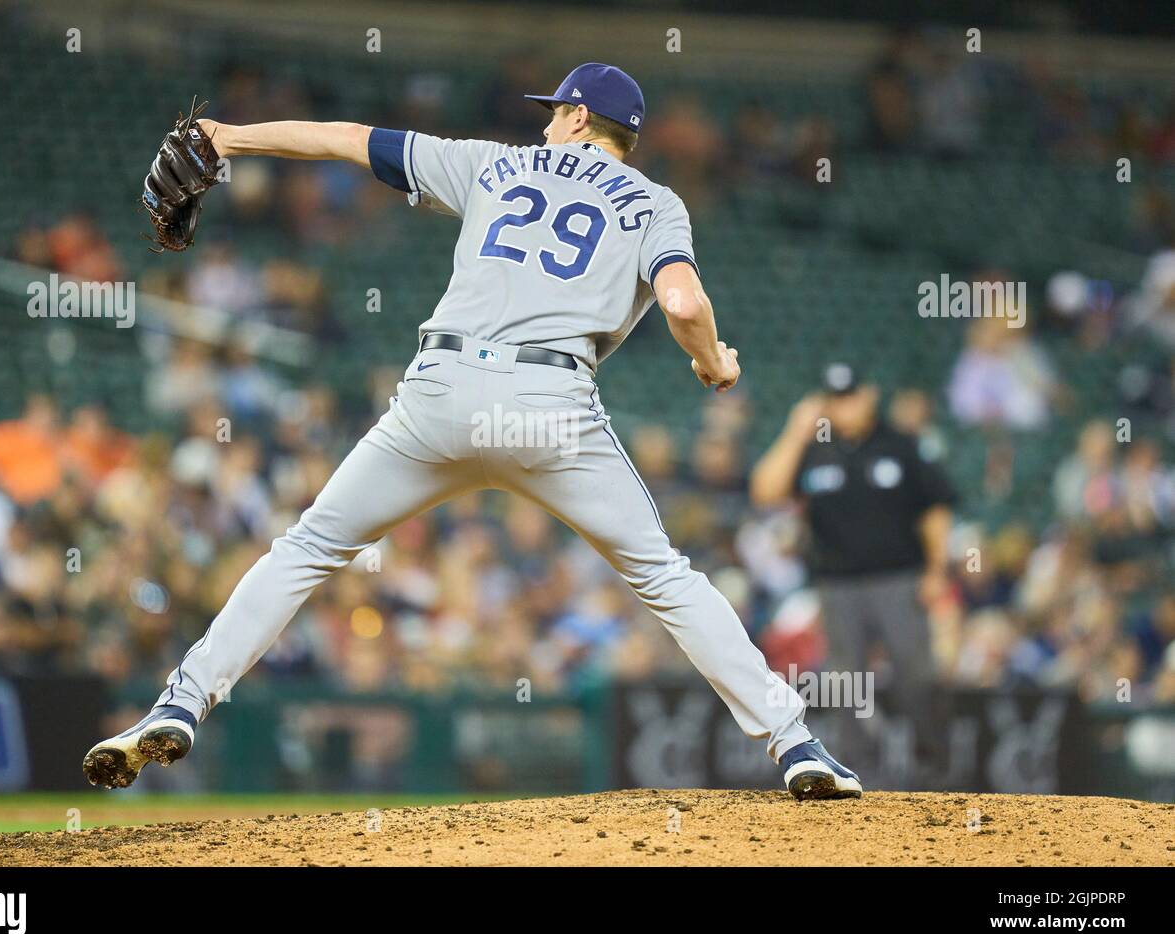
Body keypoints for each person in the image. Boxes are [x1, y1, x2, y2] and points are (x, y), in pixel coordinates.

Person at [84, 63, 861, 800]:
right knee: (665, 576)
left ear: (579, 115)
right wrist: (713, 364)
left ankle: (180, 705)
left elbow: (350, 139)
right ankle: (794, 744)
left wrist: (231, 136)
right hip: (549, 404)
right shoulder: (654, 203)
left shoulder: (493, 165)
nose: (547, 124)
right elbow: (686, 307)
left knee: (310, 547)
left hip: (441, 392)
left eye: (555, 110)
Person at [751, 362, 956, 781]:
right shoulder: (814, 448)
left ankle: (934, 769)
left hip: (898, 579)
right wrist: (796, 430)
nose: (844, 407)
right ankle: (858, 771)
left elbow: (935, 508)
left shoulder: (900, 444)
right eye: (835, 399)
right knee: (848, 681)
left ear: (869, 396)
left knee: (916, 674)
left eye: (850, 397)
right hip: (837, 583)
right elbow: (765, 491)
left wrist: (937, 570)